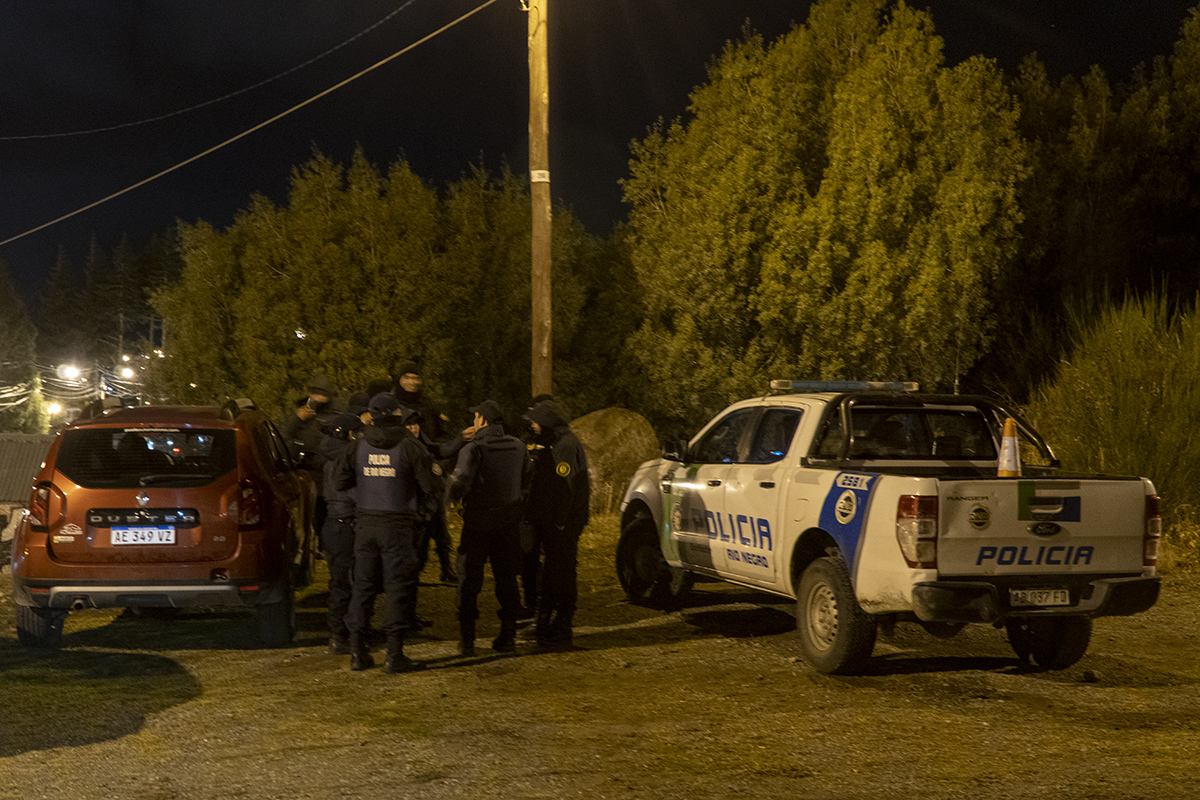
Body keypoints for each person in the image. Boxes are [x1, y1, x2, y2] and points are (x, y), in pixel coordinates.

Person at [335, 392, 436, 673]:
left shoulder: (358, 445)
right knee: (397, 588)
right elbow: (430, 488)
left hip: (366, 524)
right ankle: (394, 654)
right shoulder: (411, 447)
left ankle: (357, 652)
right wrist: (419, 512)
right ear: (396, 415)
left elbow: (339, 480)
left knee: (363, 586)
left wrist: (363, 498)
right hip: (398, 524)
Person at [445, 399, 528, 656]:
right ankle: (508, 636)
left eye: (475, 417)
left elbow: (460, 482)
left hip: (478, 522)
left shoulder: (473, 449)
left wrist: (448, 497)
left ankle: (467, 640)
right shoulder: (519, 446)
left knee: (469, 579)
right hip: (508, 522)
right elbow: (527, 480)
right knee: (507, 579)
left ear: (481, 420)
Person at [524, 400, 590, 646]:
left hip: (564, 524)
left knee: (561, 573)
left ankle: (561, 626)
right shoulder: (559, 442)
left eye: (535, 422)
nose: (532, 426)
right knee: (554, 571)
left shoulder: (564, 446)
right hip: (561, 523)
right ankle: (547, 625)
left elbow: (566, 487)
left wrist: (560, 522)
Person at [318, 411, 362, 655]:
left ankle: (342, 632)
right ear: (350, 434)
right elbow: (348, 493)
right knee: (346, 582)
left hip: (337, 524)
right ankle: (340, 634)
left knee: (342, 581)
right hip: (345, 524)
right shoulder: (345, 459)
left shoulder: (333, 455)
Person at [283, 372, 339, 540]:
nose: (317, 397)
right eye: (314, 393)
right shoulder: (302, 412)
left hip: (325, 475)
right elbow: (287, 436)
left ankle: (323, 544)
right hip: (304, 475)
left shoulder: (334, 416)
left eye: (321, 394)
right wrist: (298, 419)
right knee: (306, 516)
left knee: (324, 515)